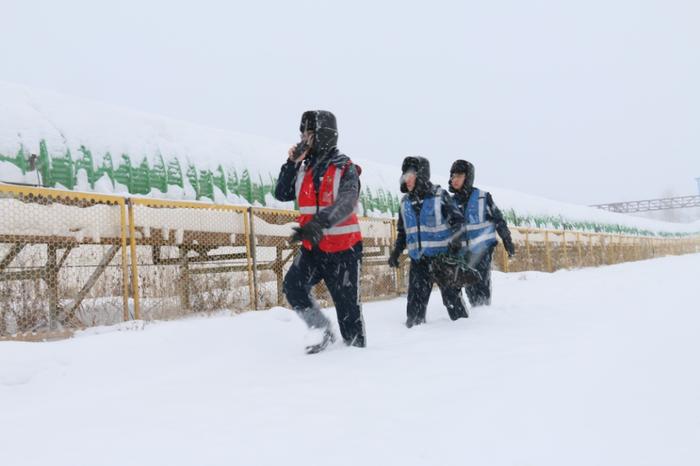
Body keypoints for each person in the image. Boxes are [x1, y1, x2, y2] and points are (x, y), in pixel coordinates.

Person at [273, 110, 366, 354]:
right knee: (293, 286)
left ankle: (358, 356)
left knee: (348, 310)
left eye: (310, 133)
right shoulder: (302, 168)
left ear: (324, 135)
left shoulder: (344, 167)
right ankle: (320, 328)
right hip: (313, 249)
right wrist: (291, 163)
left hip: (344, 251)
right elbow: (281, 193)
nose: (305, 138)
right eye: (302, 133)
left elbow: (347, 202)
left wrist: (319, 223)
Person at [387, 156, 469, 327]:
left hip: (442, 261)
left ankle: (465, 335)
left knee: (453, 303)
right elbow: (403, 232)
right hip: (419, 262)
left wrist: (456, 242)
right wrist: (396, 252)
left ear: (421, 175)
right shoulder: (405, 203)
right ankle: (415, 342)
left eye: (410, 175)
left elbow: (459, 222)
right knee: (414, 310)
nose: (406, 180)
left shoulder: (440, 196)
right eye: (405, 175)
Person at [448, 159, 515, 307]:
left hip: (482, 252)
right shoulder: (450, 202)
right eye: (453, 176)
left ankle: (484, 317)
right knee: (469, 288)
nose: (455, 179)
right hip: (462, 254)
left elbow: (499, 220)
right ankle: (476, 317)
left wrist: (507, 240)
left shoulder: (483, 198)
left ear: (468, 177)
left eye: (459, 176)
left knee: (481, 286)